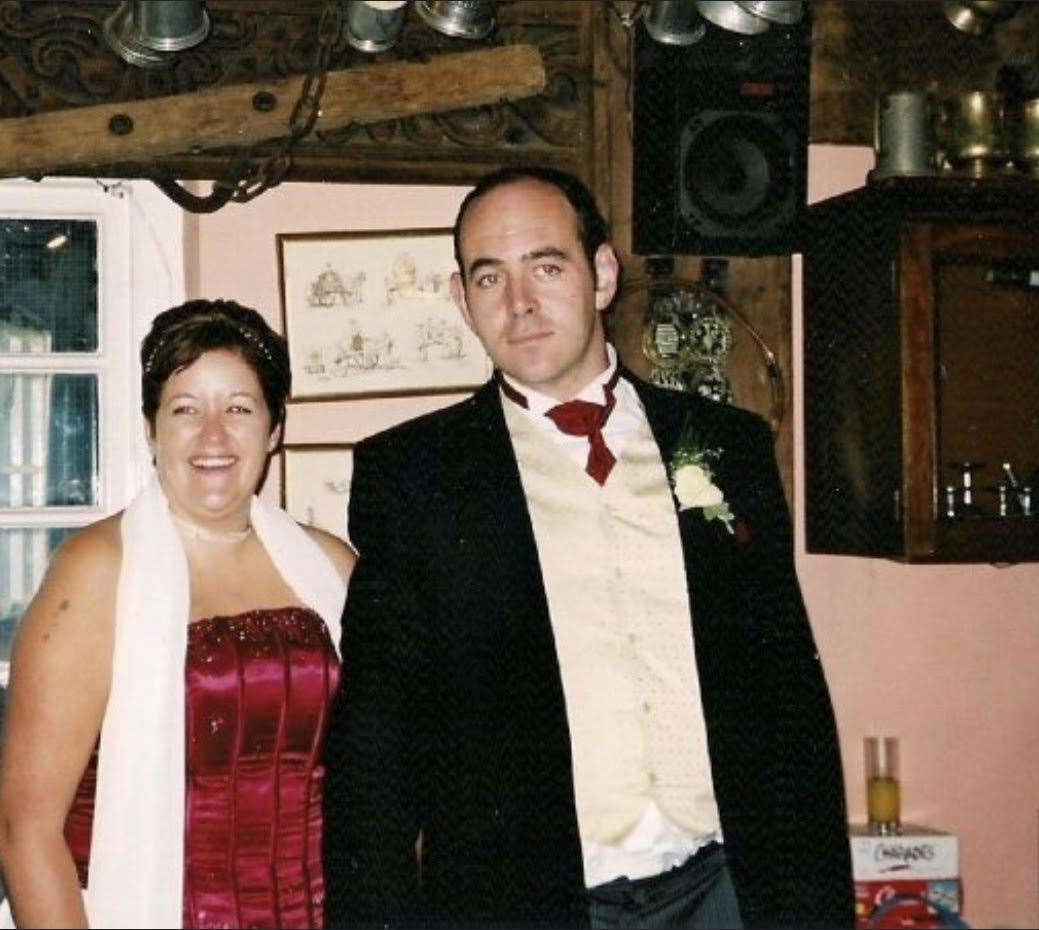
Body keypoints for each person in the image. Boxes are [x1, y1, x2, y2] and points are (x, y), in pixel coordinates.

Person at [323, 166, 854, 929]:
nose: (521, 303)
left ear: (601, 274)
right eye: (489, 277)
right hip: (528, 904)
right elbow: (375, 744)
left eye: (546, 265)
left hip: (729, 889)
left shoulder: (723, 447)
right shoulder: (411, 477)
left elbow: (787, 700)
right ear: (459, 300)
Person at [0, 300, 355, 930]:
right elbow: (26, 830)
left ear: (274, 430)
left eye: (239, 409)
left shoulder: (332, 569)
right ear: (151, 428)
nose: (213, 436)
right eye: (186, 409)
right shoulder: (94, 571)